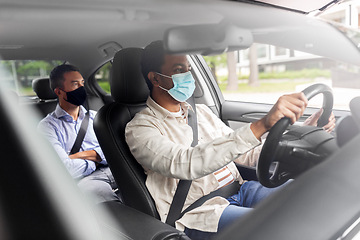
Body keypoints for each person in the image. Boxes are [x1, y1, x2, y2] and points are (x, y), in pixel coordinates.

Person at [125, 41, 335, 239]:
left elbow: (247, 153)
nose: (188, 76)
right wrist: (261, 124)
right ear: (155, 78)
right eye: (179, 70)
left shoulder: (201, 113)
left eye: (188, 69)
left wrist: (305, 132)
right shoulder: (140, 128)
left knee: (308, 193)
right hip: (200, 212)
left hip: (240, 189)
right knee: (276, 226)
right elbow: (186, 163)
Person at [38, 64, 121, 204]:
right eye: (75, 84)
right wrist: (96, 160)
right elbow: (65, 169)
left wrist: (78, 156)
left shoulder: (97, 117)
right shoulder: (47, 127)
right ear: (59, 92)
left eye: (82, 83)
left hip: (114, 170)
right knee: (102, 200)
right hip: (88, 180)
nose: (82, 88)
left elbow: (116, 153)